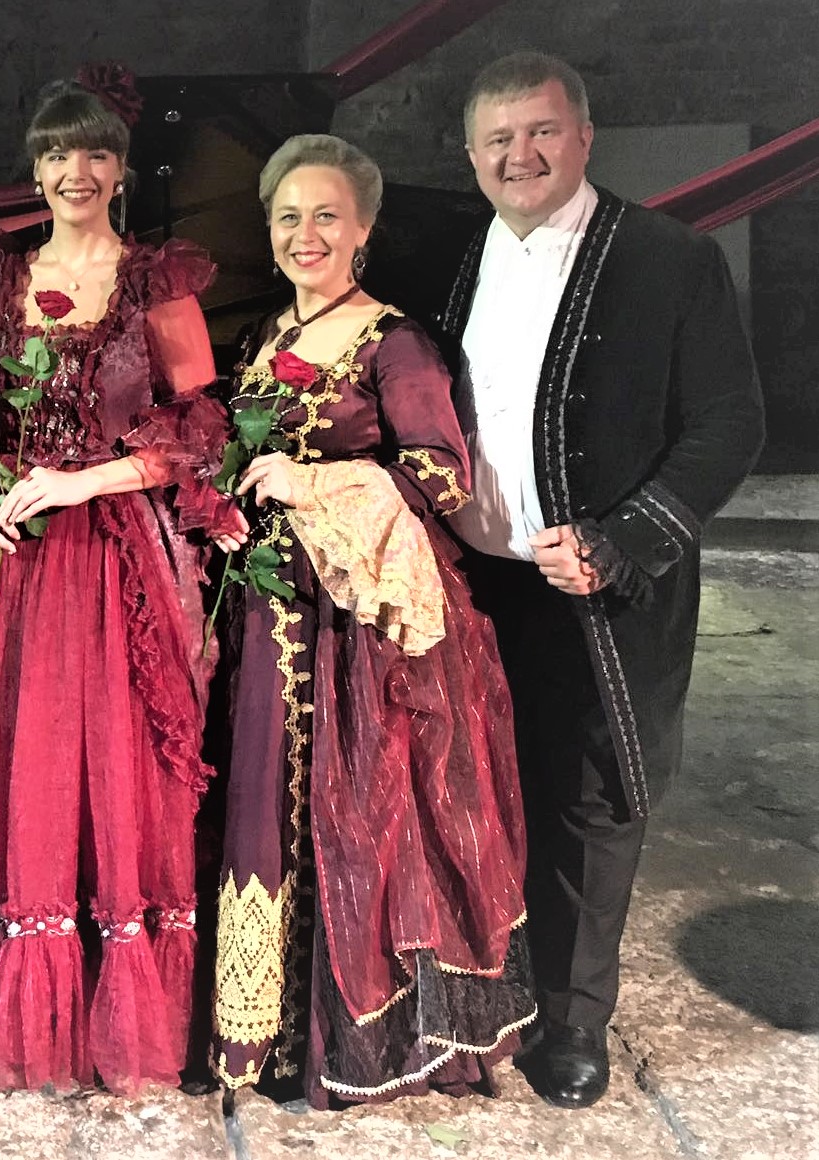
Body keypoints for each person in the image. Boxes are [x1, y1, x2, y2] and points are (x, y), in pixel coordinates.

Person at [441, 53, 763, 1108]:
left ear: (583, 137)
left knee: (591, 801)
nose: (519, 155)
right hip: (476, 582)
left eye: (540, 131)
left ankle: (574, 1018)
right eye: (497, 138)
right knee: (485, 787)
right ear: (470, 154)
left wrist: (622, 540)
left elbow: (728, 425)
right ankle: (489, 993)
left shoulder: (670, 258)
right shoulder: (450, 255)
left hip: (600, 587)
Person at [0, 76, 227, 1096]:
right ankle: (31, 1003)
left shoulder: (154, 284)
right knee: (28, 763)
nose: (74, 173)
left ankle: (119, 1007)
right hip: (22, 562)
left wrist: (86, 479)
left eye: (93, 154)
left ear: (120, 170)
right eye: (56, 155)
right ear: (35, 169)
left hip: (117, 556)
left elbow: (199, 427)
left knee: (118, 767)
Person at [207, 134, 535, 1107]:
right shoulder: (260, 338)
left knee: (362, 819)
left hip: (359, 626)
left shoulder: (395, 342)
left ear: (363, 229)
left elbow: (440, 471)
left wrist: (314, 482)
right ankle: (264, 1033)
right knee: (265, 803)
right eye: (288, 217)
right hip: (269, 615)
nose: (305, 234)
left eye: (325, 216)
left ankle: (358, 1040)